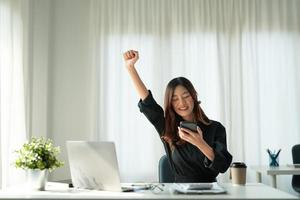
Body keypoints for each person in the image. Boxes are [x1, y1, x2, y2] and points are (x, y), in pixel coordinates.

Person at [123, 50, 232, 183]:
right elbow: (147, 102)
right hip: (180, 191)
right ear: (170, 103)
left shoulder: (216, 127)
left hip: (210, 190)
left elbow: (223, 166)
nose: (182, 103)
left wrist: (200, 143)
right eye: (175, 99)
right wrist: (130, 67)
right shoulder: (166, 127)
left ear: (194, 96)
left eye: (186, 96)